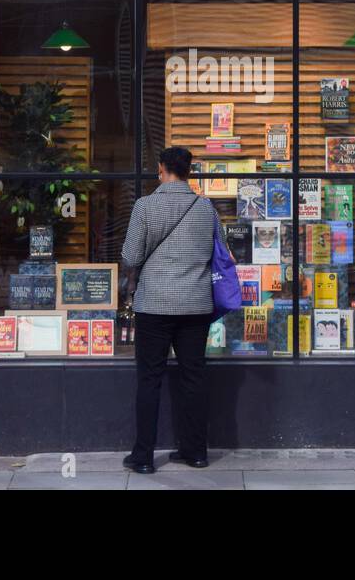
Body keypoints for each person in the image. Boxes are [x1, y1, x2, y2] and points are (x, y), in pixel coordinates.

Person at [120, 146, 220, 474]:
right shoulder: (206, 208)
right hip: (195, 304)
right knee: (195, 377)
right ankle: (197, 452)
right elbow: (213, 253)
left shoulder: (145, 206)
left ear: (162, 168)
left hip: (155, 306)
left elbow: (131, 257)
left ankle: (144, 457)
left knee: (149, 379)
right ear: (189, 170)